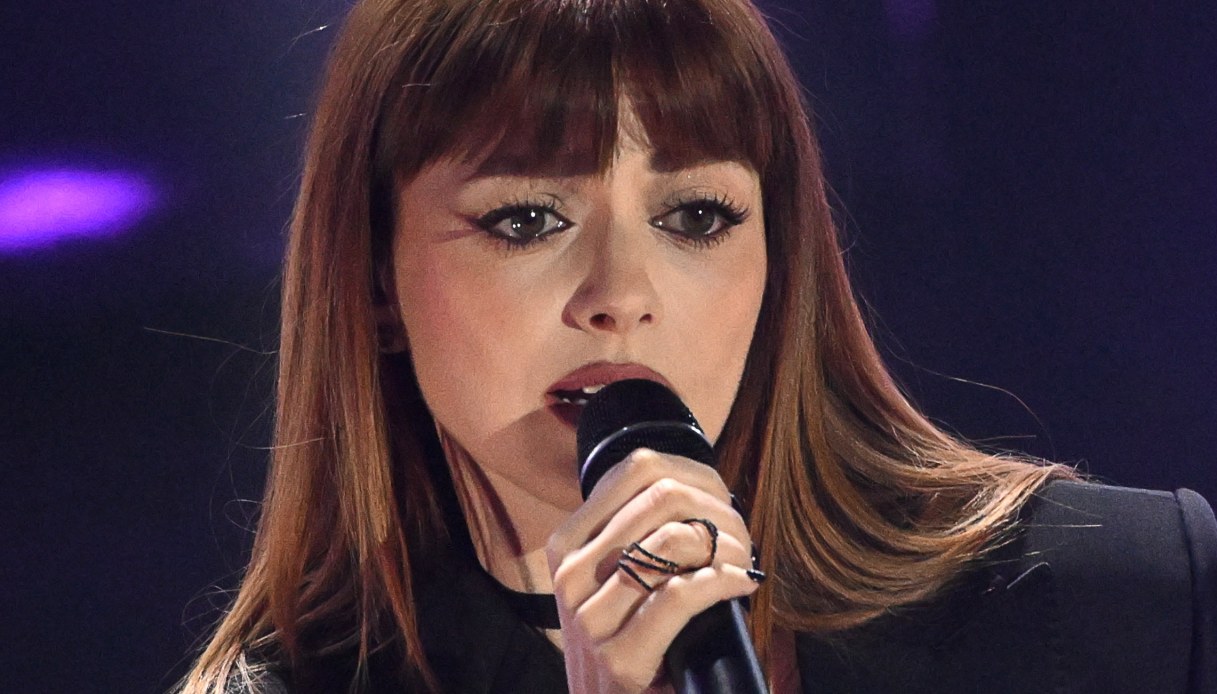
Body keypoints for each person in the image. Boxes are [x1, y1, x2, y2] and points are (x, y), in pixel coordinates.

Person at [178, 0, 1217, 691]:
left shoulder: (1130, 607)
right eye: (527, 219)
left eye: (695, 216)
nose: (621, 297)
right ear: (375, 279)